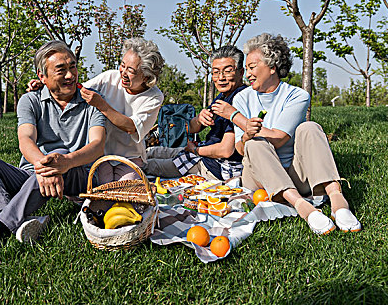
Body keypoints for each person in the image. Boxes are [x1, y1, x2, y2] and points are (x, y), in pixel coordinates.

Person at [0, 41, 106, 267]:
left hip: (78, 173)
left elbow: (97, 145)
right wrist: (45, 165)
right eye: (61, 70)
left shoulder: (91, 99)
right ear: (42, 76)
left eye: (73, 67)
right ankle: (16, 221)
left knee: (58, 152)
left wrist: (64, 162)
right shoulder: (31, 100)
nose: (70, 75)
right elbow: (25, 139)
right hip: (34, 172)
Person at [216, 33, 361, 235]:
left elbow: (279, 137)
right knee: (254, 143)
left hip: (295, 175)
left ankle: (337, 198)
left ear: (272, 67)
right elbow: (240, 149)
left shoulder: (297, 96)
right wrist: (246, 131)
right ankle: (303, 207)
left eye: (252, 67)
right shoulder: (242, 98)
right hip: (259, 177)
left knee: (309, 128)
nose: (247, 74)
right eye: (247, 68)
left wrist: (235, 117)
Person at [29, 38, 165, 184]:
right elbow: (77, 90)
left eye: (130, 70)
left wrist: (102, 105)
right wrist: (47, 84)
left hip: (129, 155)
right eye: (122, 65)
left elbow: (131, 127)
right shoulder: (110, 77)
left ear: (146, 76)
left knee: (126, 187)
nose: (123, 73)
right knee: (102, 187)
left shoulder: (154, 97)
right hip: (101, 153)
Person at [143, 45, 247, 180]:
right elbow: (192, 128)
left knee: (147, 165)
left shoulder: (240, 100)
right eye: (216, 72)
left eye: (227, 71)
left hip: (215, 165)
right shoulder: (222, 96)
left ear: (241, 73)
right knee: (150, 152)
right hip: (203, 152)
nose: (221, 77)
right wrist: (199, 119)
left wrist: (195, 150)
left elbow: (226, 150)